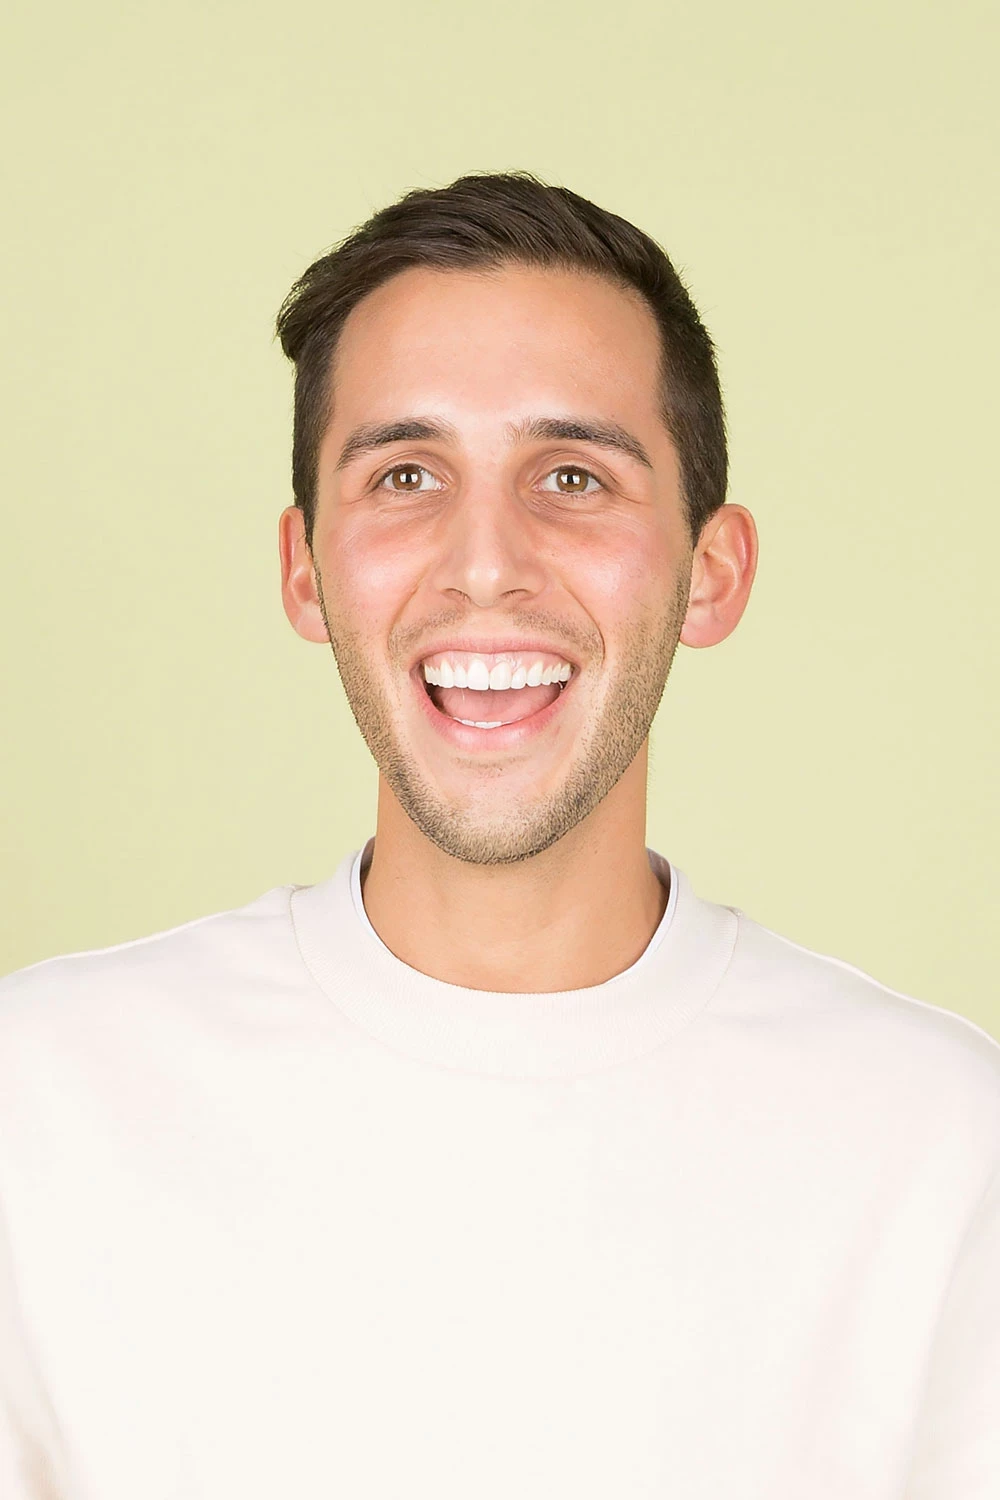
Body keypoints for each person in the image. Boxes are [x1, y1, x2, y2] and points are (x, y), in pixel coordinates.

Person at [1, 172, 997, 1500]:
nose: (485, 564)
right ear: (305, 569)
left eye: (572, 476)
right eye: (405, 475)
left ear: (711, 572)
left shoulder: (944, 1150)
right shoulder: (41, 1107)